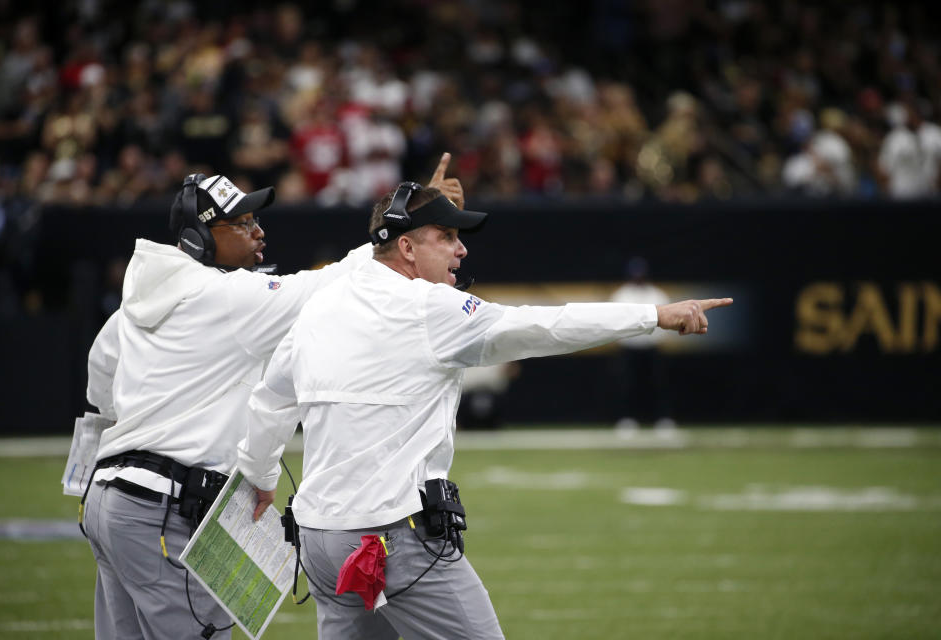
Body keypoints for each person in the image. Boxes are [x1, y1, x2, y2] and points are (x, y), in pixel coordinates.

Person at [236, 181, 732, 639]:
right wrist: (654, 315)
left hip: (320, 539)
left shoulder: (325, 301)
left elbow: (271, 401)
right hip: (387, 541)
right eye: (447, 236)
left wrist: (259, 477)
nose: (462, 248)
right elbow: (544, 328)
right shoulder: (429, 308)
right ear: (407, 248)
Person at [79, 155, 464, 639]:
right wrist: (410, 226)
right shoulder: (227, 297)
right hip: (161, 505)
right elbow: (331, 282)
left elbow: (99, 388)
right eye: (241, 223)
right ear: (199, 238)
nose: (258, 231)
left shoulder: (135, 304)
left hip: (107, 499)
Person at [610, 256, 675, 433]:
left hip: (652, 348)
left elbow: (667, 321)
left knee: (658, 384)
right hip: (629, 348)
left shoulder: (657, 294)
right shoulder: (621, 295)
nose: (638, 278)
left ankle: (663, 420)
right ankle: (627, 420)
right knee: (627, 384)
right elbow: (614, 322)